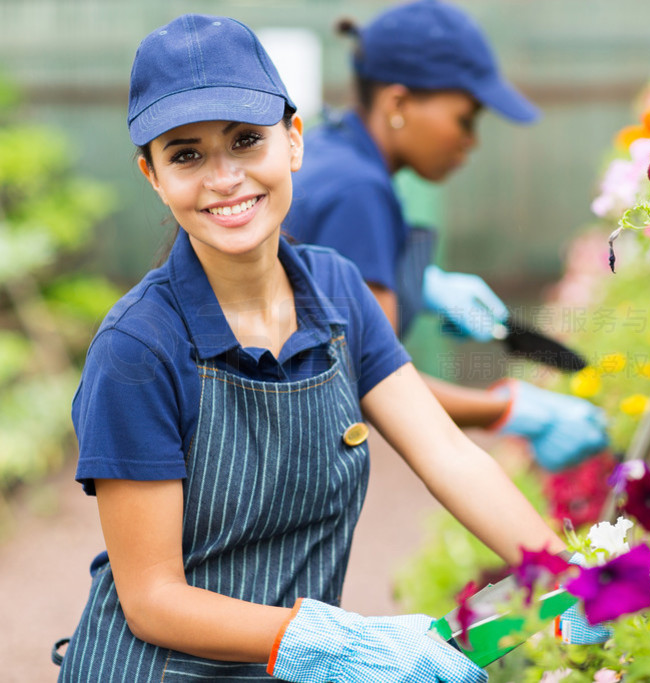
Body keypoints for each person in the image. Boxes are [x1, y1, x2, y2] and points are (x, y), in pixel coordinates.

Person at [55, 13, 572, 683]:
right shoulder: (138, 349)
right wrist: (335, 641)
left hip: (287, 665)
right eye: (186, 154)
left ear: (293, 140)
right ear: (152, 175)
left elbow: (446, 454)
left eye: (246, 141)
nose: (224, 177)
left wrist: (569, 576)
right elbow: (153, 597)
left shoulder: (336, 290)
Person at [284, 0, 608, 473]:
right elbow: (366, 382)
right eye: (466, 119)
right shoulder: (360, 191)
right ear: (398, 103)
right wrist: (507, 410)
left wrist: (421, 284)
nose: (471, 140)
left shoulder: (333, 148)